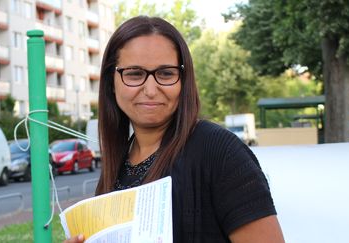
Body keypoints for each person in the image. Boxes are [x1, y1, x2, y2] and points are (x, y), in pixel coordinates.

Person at [65, 16, 284, 243]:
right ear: (112, 82)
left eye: (166, 73)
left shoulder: (220, 152)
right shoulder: (119, 159)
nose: (150, 89)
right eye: (134, 74)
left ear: (183, 80)